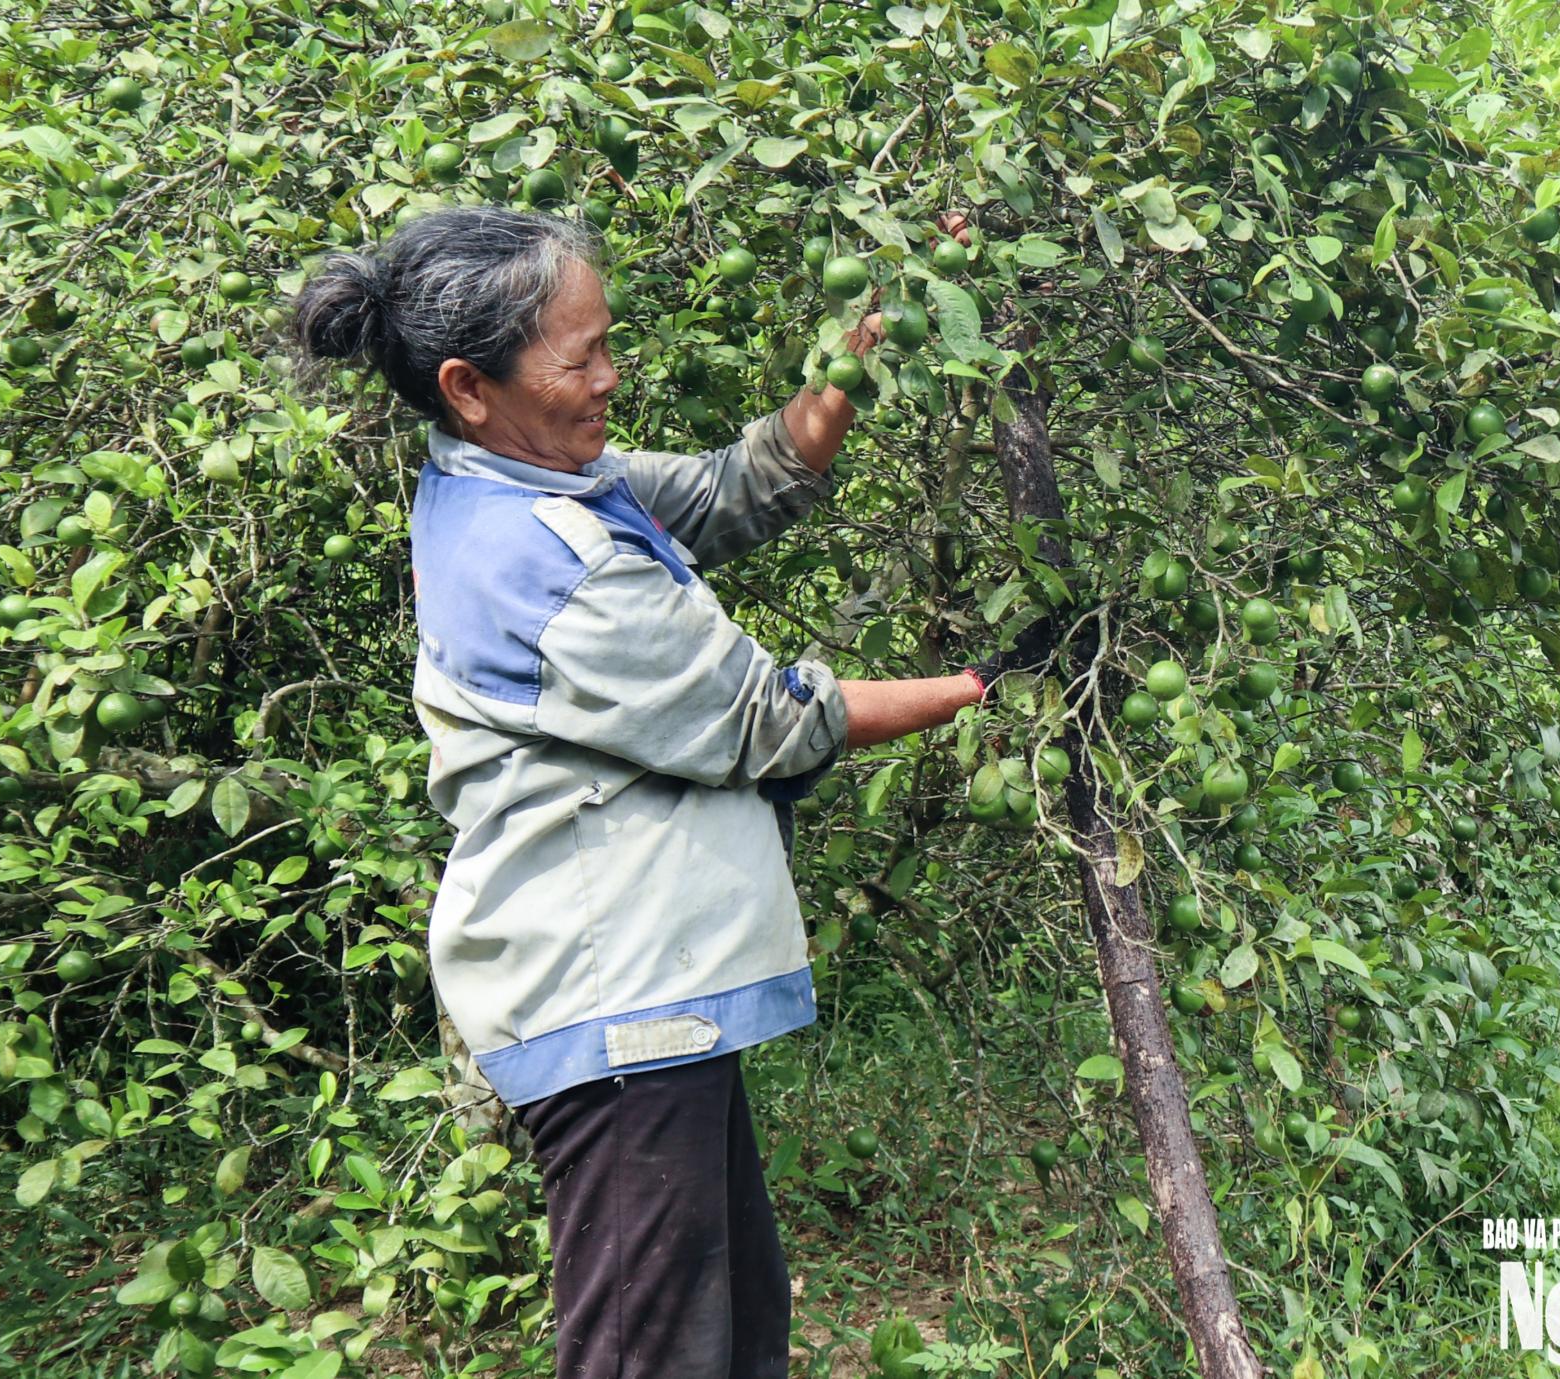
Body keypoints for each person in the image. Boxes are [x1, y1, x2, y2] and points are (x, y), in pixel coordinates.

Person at [285, 205, 1044, 1379]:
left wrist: (865, 337)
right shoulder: (545, 562)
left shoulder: (539, 483)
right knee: (656, 1351)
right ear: (469, 387)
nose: (609, 378)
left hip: (645, 998)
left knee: (731, 1332)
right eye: (579, 358)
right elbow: (768, 720)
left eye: (607, 345)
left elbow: (743, 484)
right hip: (611, 1005)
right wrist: (981, 683)